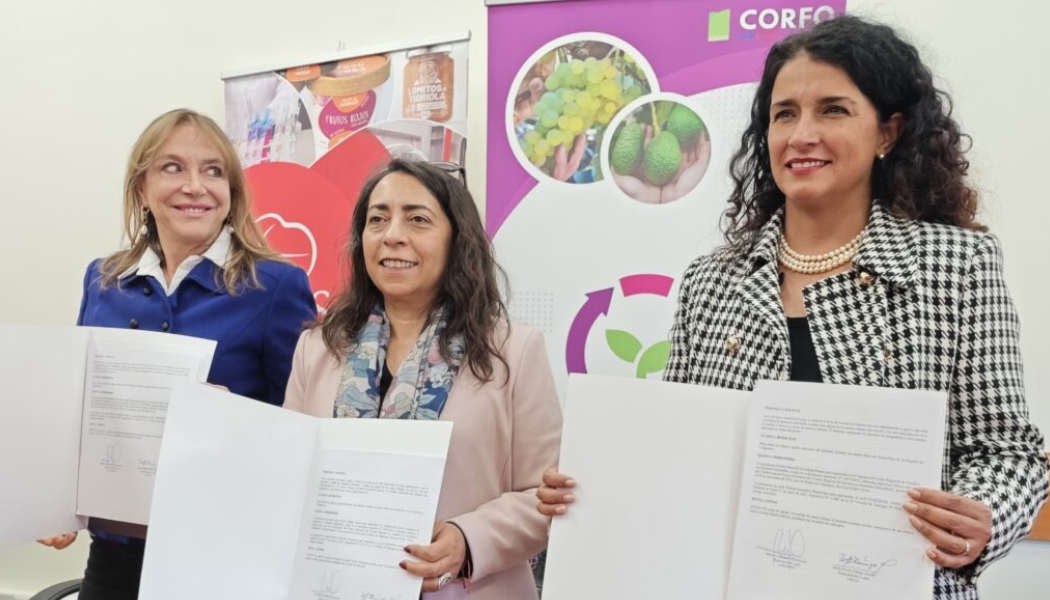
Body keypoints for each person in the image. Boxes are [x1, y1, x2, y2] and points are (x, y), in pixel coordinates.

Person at [536, 15, 1047, 600]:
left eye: (833, 110)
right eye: (784, 114)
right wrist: (590, 490)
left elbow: (1008, 455)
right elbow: (676, 451)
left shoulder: (957, 265)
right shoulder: (711, 281)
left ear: (888, 132)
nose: (802, 135)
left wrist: (981, 514)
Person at [37, 108, 317, 599]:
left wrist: (232, 420)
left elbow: (302, 430)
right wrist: (57, 501)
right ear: (141, 189)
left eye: (213, 171)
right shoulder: (102, 280)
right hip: (116, 556)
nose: (195, 186)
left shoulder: (276, 286)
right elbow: (84, 410)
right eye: (172, 168)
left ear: (230, 192)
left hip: (223, 552)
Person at [283, 158, 561, 599]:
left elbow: (544, 499)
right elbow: (289, 478)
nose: (392, 234)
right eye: (378, 219)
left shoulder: (513, 351)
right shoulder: (317, 349)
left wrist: (468, 539)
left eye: (417, 219)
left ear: (457, 240)